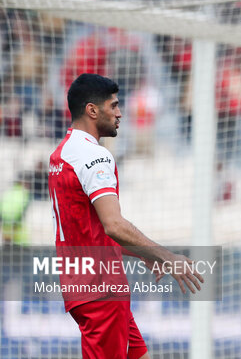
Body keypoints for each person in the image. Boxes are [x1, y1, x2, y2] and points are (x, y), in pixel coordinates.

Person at [48, 73, 204, 359]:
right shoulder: (94, 155)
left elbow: (88, 231)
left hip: (86, 286)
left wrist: (142, 253)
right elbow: (113, 224)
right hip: (101, 289)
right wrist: (168, 258)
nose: (120, 113)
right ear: (92, 110)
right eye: (114, 106)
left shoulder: (61, 155)